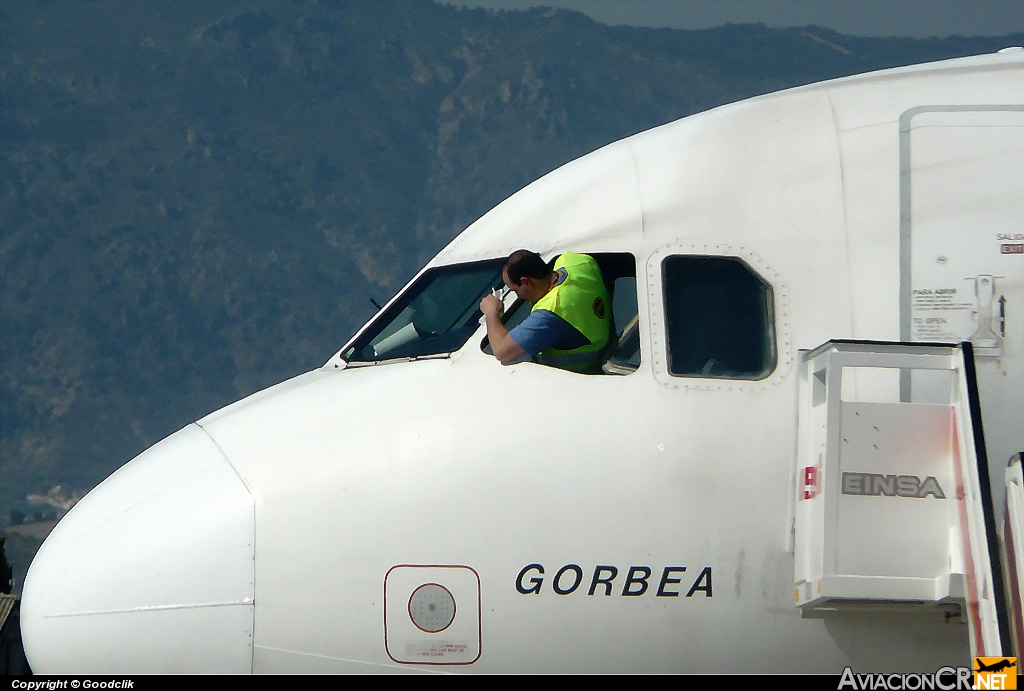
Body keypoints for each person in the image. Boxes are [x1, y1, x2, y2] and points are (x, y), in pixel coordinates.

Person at [480, 249, 611, 373]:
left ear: (526, 282)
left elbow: (501, 351)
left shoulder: (550, 313)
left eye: (515, 290)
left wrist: (491, 313)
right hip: (610, 347)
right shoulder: (577, 262)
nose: (518, 296)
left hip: (580, 377)